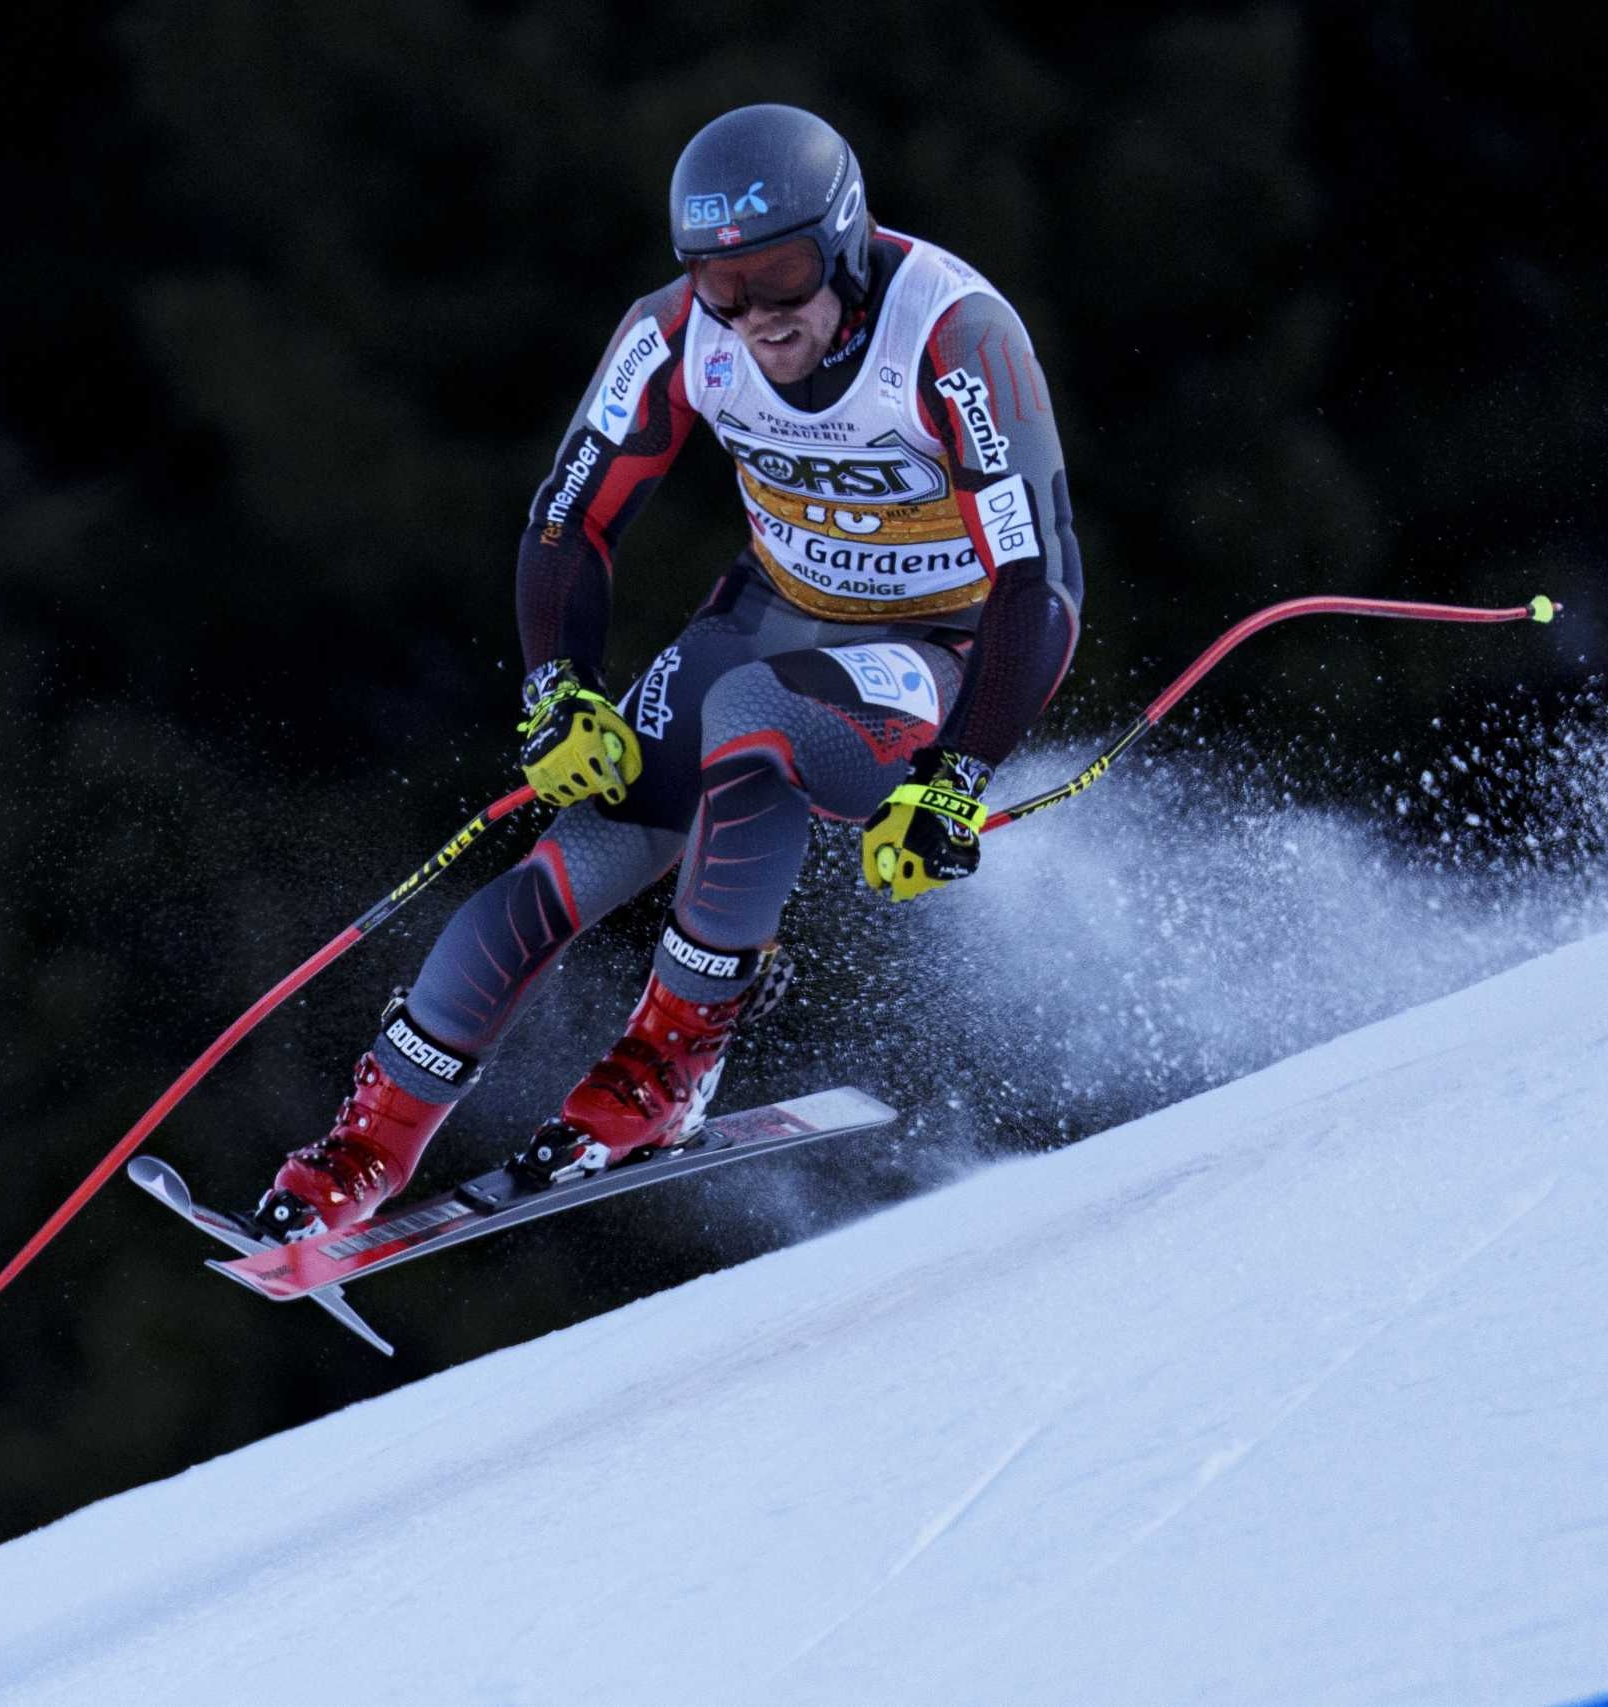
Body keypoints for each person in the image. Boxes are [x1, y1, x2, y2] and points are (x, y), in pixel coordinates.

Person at [253, 103, 1084, 1240]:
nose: (756, 319)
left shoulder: (951, 335)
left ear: (843, 238)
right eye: (721, 286)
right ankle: (361, 1153)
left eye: (783, 276)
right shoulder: (675, 332)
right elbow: (565, 523)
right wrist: (560, 691)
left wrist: (959, 777)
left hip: (932, 654)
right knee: (577, 852)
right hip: (769, 615)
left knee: (753, 716)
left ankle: (667, 1067)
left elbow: (1040, 584)